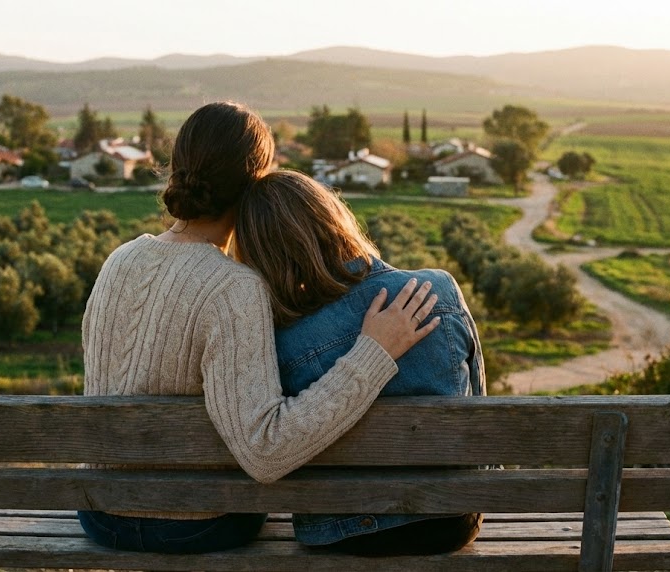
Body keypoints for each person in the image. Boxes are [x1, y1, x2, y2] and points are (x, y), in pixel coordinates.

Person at [78, 101, 441, 555]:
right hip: (194, 524)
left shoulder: (119, 260)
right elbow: (266, 452)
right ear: (257, 180)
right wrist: (373, 353)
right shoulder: (233, 288)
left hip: (98, 514)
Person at [234, 169, 486, 556]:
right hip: (450, 518)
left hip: (337, 531)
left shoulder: (277, 341)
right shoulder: (437, 291)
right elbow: (480, 409)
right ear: (333, 217)